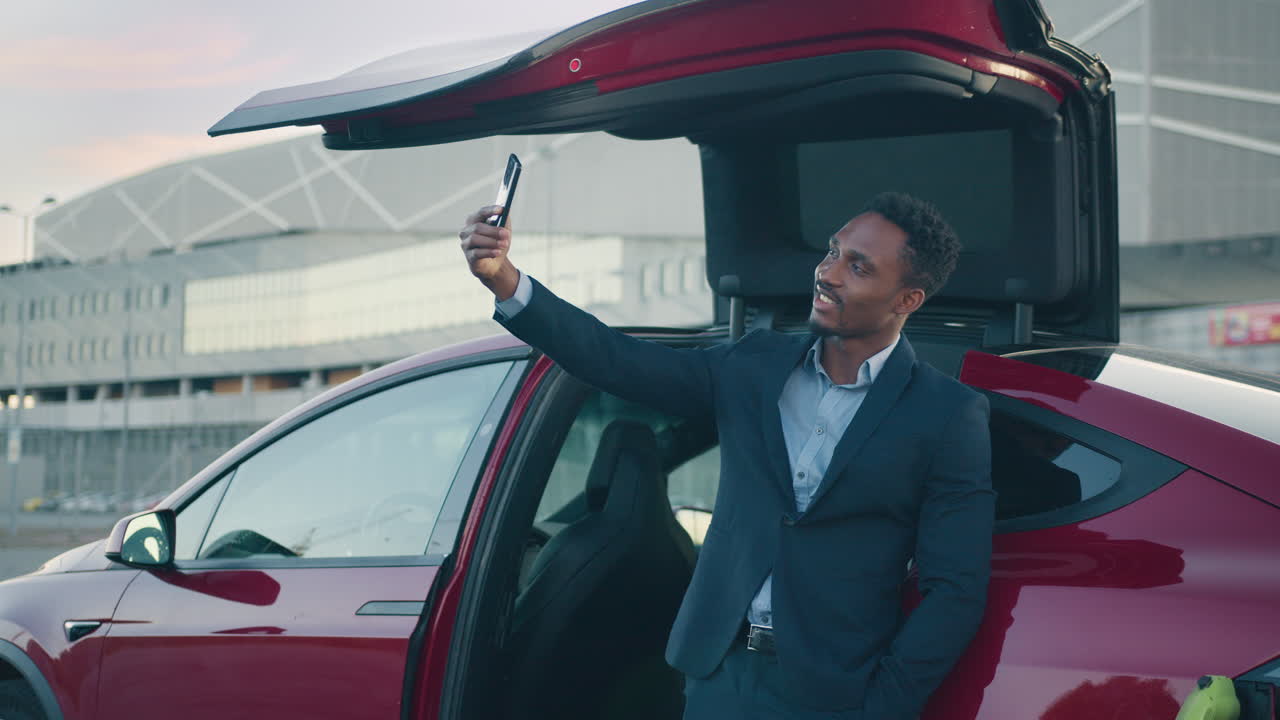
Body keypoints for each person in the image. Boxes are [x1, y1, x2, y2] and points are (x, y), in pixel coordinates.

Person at [459, 191, 994, 719]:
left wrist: (884, 705)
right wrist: (505, 280)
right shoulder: (754, 364)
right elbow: (618, 361)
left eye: (858, 267)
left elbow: (956, 589)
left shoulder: (946, 414)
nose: (827, 273)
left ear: (907, 300)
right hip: (719, 675)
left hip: (836, 693)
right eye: (832, 251)